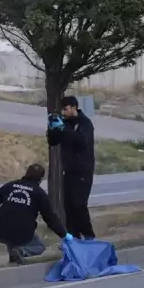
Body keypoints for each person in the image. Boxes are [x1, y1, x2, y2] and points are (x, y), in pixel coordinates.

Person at [0, 163, 73, 265]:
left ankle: (14, 258)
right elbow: (50, 218)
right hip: (21, 233)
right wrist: (64, 234)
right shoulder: (39, 193)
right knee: (39, 247)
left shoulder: (10, 185)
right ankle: (22, 252)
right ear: (40, 178)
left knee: (11, 232)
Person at [46, 96, 96, 240]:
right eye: (62, 109)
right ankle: (73, 238)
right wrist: (52, 128)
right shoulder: (66, 123)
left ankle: (89, 235)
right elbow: (53, 141)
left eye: (66, 109)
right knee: (68, 206)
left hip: (83, 171)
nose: (63, 112)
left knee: (78, 204)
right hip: (68, 170)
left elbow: (81, 141)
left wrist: (63, 128)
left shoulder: (85, 123)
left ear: (74, 108)